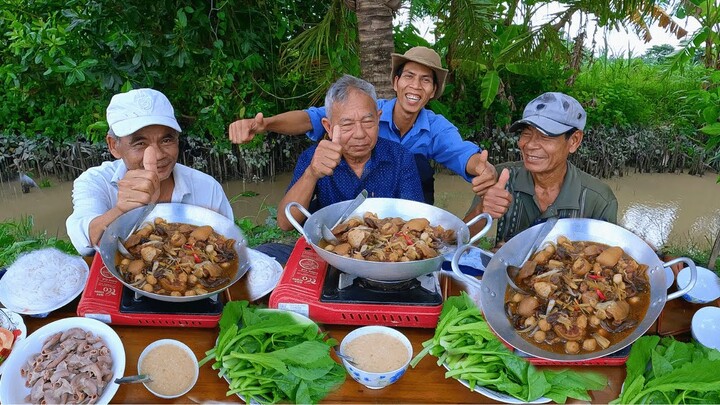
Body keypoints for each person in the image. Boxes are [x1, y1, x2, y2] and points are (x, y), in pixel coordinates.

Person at [228, 46, 495, 204]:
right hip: (350, 195)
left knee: (417, 164)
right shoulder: (362, 110)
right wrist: (265, 125)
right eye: (409, 76)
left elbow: (463, 154)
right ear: (395, 82)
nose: (415, 86)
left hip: (406, 196)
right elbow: (309, 118)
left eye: (426, 80)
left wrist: (482, 167)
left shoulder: (437, 127)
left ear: (434, 90)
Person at [66, 88, 233, 256]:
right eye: (140, 143)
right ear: (113, 145)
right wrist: (121, 210)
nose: (157, 155)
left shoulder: (207, 187)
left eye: (166, 140)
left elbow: (228, 246)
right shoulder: (96, 181)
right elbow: (84, 240)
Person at [463, 92, 618, 243]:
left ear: (574, 141)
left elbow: (607, 259)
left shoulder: (599, 200)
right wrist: (482, 210)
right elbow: (458, 242)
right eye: (526, 134)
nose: (530, 145)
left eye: (546, 136)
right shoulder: (501, 177)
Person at [277, 74, 424, 231]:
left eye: (367, 121)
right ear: (329, 127)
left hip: (388, 247)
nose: (359, 134)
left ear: (378, 119)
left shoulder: (400, 157)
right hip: (330, 249)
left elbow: (415, 220)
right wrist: (311, 174)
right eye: (347, 124)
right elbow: (286, 223)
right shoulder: (314, 158)